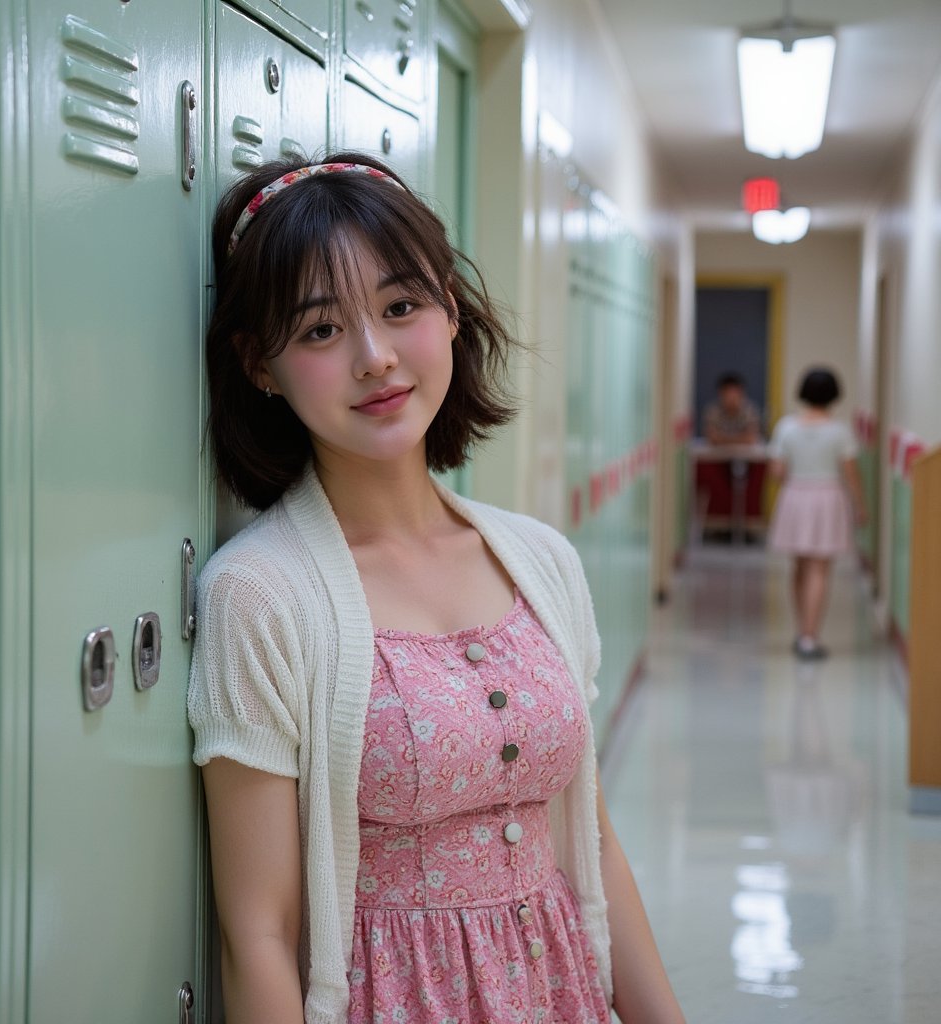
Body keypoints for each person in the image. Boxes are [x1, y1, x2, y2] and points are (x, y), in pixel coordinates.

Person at [187, 152, 686, 1024]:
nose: (375, 358)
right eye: (319, 331)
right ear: (258, 363)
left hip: (562, 992)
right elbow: (259, 932)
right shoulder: (259, 595)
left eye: (400, 307)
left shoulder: (542, 562)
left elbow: (592, 845)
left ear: (450, 310)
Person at [767, 367, 867, 659]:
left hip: (795, 496)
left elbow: (776, 471)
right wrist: (861, 506)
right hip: (827, 497)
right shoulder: (839, 431)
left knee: (799, 567)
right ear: (834, 395)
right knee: (820, 569)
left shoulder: (786, 427)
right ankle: (811, 636)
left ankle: (801, 631)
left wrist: (797, 479)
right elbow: (851, 474)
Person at [697, 372, 765, 540]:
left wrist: (725, 439)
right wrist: (736, 440)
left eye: (736, 393)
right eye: (728, 393)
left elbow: (751, 438)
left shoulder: (749, 410)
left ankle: (746, 527)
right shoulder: (713, 411)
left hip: (746, 463)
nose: (732, 398)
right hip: (718, 462)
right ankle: (717, 526)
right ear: (722, 393)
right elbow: (712, 438)